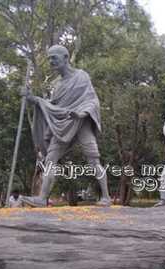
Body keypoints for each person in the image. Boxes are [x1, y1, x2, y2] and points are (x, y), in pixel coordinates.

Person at [20, 45, 111, 207]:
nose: (51, 61)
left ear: (66, 57)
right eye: (49, 58)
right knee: (50, 160)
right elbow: (53, 106)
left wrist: (81, 113)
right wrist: (32, 98)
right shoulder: (57, 85)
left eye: (53, 57)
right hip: (62, 126)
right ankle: (42, 198)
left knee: (93, 160)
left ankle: (106, 197)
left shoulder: (82, 76)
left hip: (81, 121)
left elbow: (92, 100)